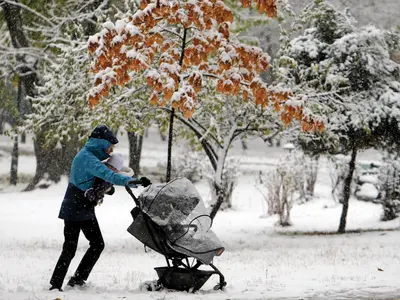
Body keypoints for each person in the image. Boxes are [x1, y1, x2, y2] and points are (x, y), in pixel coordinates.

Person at [49, 125, 151, 291]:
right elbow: (109, 175)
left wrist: (106, 188)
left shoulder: (88, 156)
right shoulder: (87, 158)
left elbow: (100, 180)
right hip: (75, 206)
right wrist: (135, 181)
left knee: (95, 244)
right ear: (101, 143)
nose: (111, 151)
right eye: (110, 147)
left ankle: (74, 281)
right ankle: (58, 285)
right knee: (72, 247)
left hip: (81, 207)